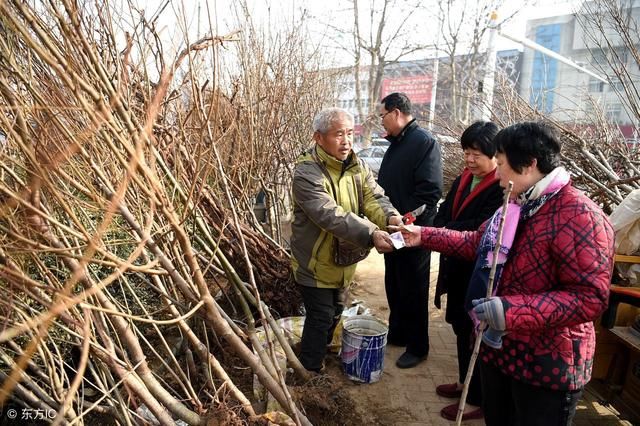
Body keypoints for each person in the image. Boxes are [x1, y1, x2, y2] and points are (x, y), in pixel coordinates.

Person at [396, 122, 614, 425]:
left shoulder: (580, 216)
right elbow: (479, 242)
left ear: (529, 164)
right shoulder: (515, 206)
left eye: (500, 164)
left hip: (546, 366)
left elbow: (589, 298)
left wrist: (511, 311)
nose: (496, 174)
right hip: (501, 352)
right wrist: (422, 235)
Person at [291, 107, 403, 373]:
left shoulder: (356, 166)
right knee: (320, 317)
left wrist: (391, 218)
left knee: (336, 312)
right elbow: (330, 214)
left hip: (344, 258)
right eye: (338, 134)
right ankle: (309, 372)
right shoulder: (307, 173)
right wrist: (370, 233)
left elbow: (374, 197)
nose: (346, 141)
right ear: (318, 138)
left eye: (350, 133)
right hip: (314, 262)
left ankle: (318, 355)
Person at [432, 121, 503, 421]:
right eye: (466, 153)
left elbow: (481, 230)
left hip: (478, 271)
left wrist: (441, 231)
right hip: (455, 264)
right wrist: (435, 226)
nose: (469, 159)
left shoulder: (501, 188)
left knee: (475, 333)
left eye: (476, 153)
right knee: (460, 327)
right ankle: (464, 383)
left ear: (495, 154)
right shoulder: (465, 178)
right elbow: (445, 211)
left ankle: (477, 399)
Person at [377, 92, 443, 368]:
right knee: (394, 281)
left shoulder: (424, 143)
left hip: (413, 231)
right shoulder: (397, 143)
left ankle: (418, 346)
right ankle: (399, 332)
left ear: (396, 112)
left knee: (414, 287)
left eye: (383, 116)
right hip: (395, 227)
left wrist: (406, 225)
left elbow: (430, 193)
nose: (382, 122)